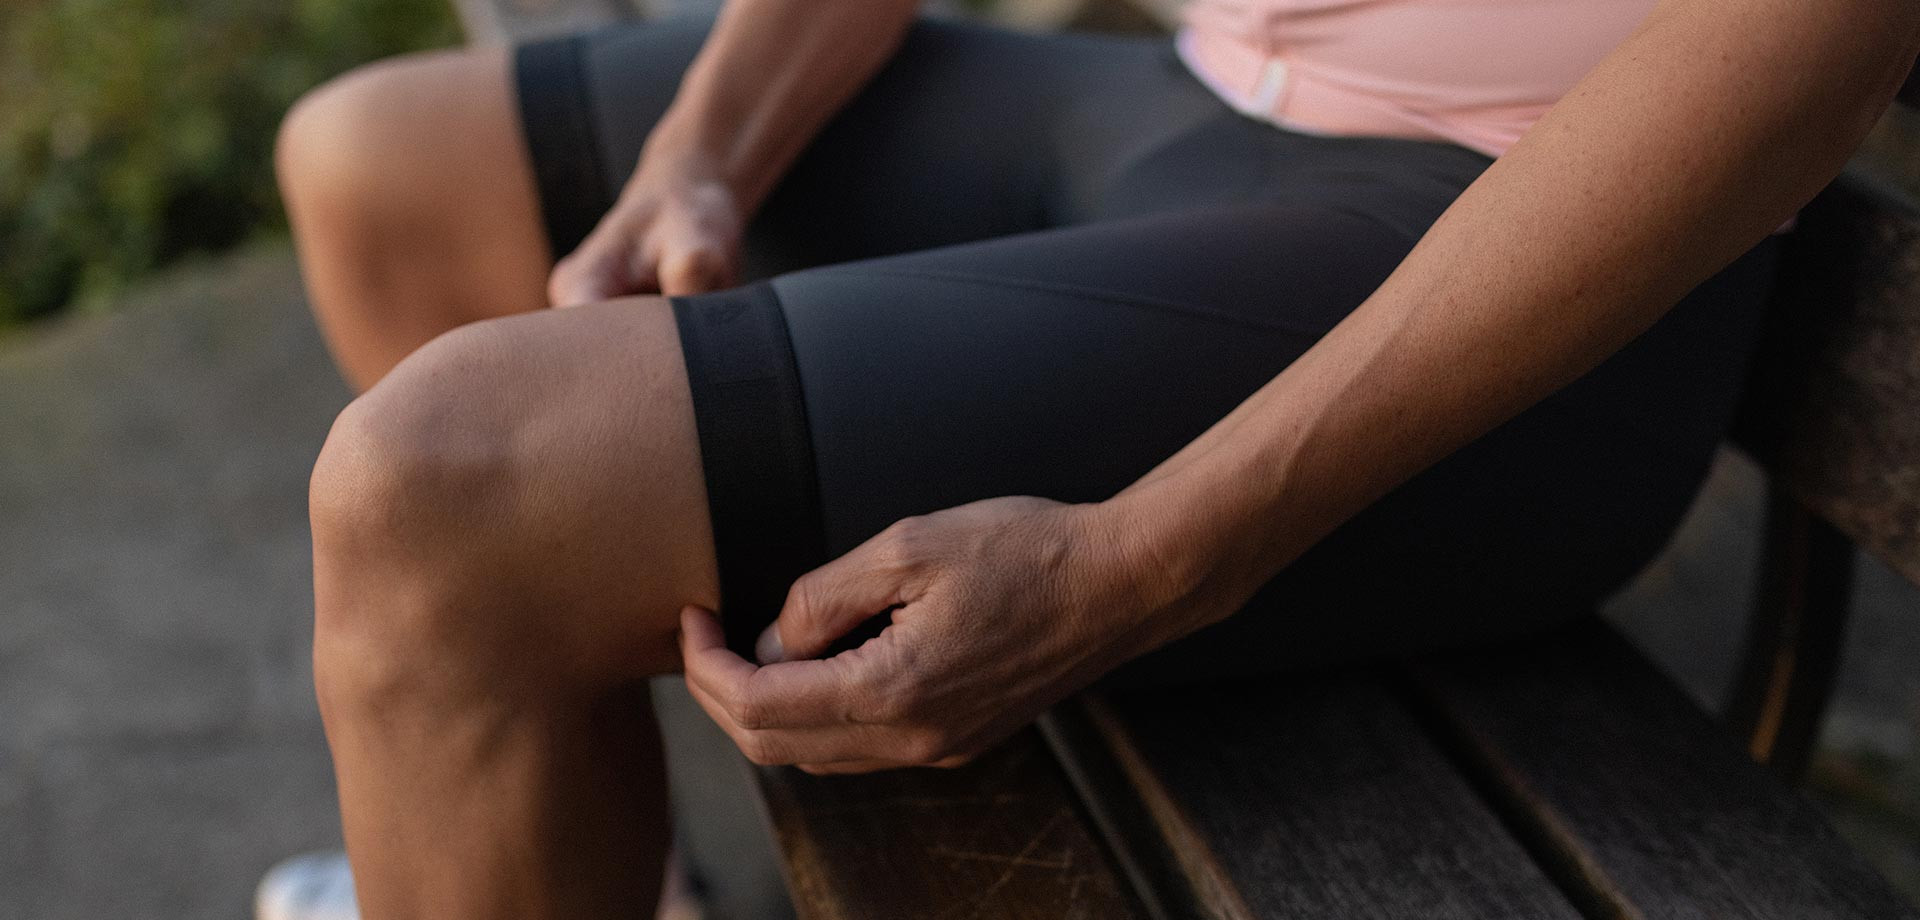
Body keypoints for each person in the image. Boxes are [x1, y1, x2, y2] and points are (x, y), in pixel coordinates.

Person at [265, 0, 1920, 917]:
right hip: (1188, 99)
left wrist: (1145, 559)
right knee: (376, 168)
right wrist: (703, 156)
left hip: (1514, 243)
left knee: (443, 491)